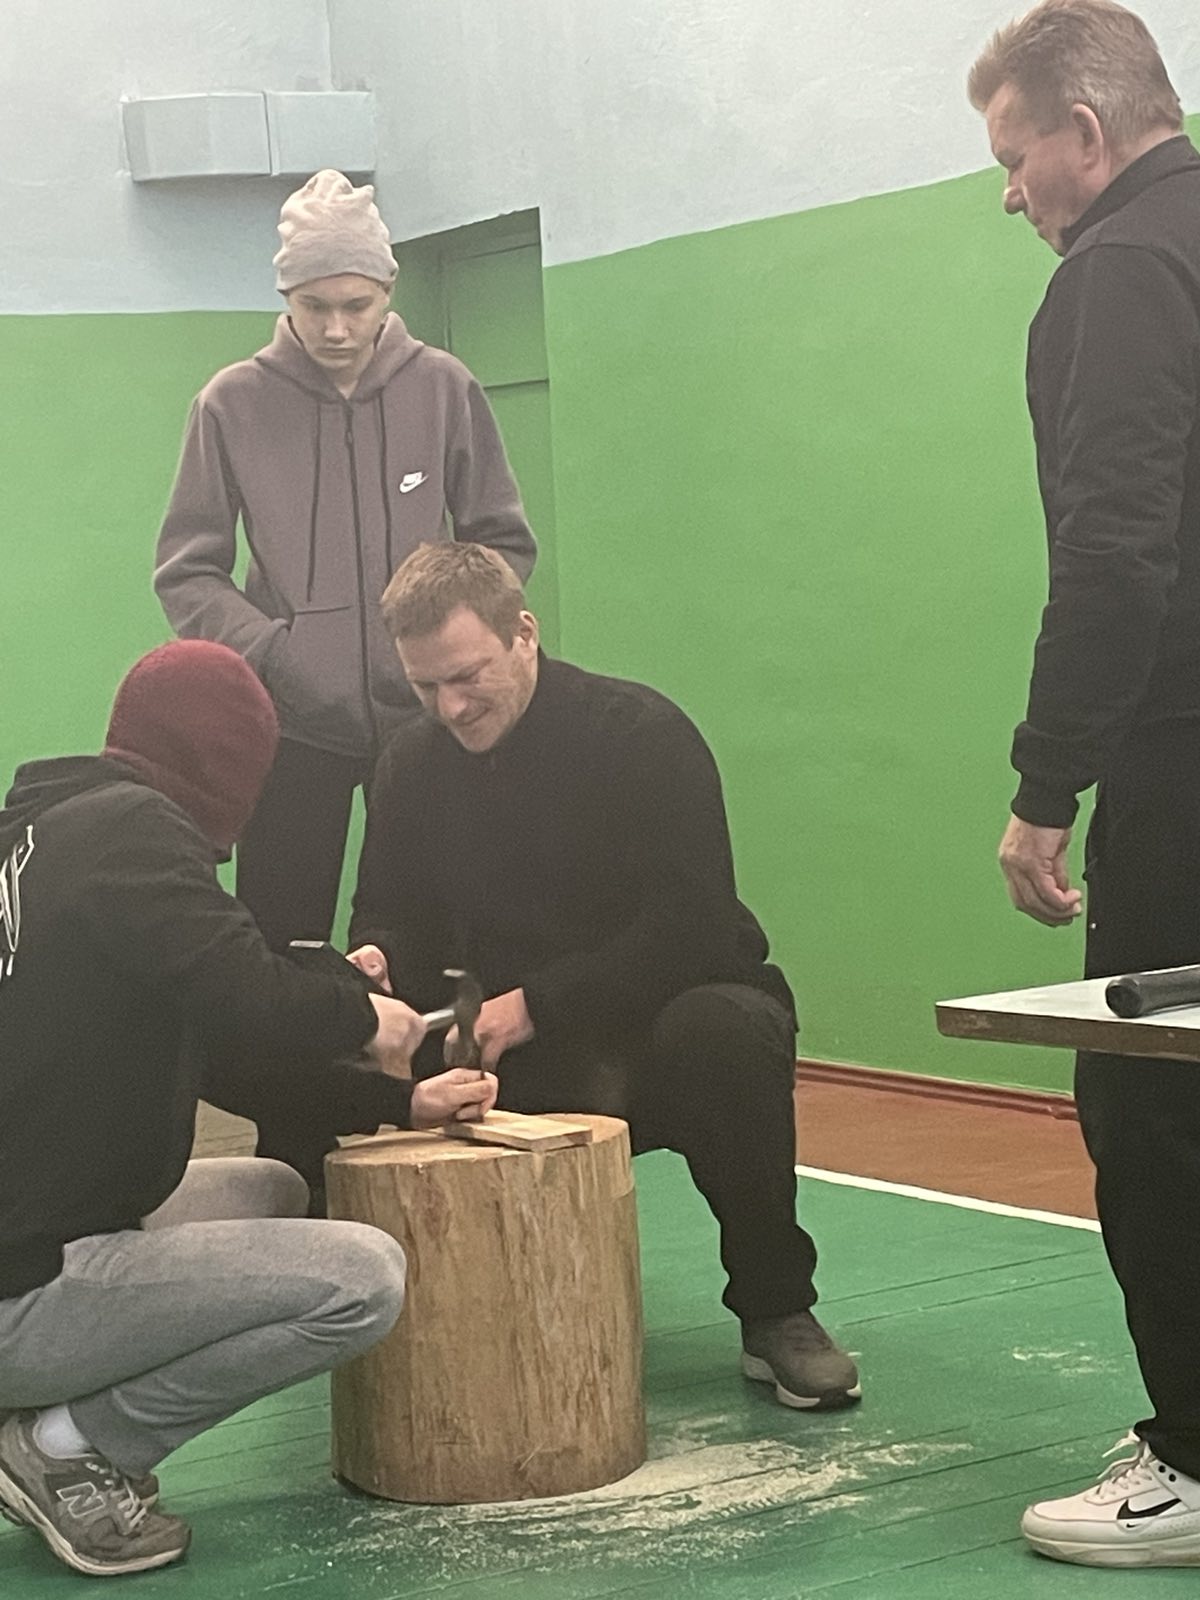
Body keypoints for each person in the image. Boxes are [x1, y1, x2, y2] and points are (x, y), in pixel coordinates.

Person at [0, 640, 497, 1577]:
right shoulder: (133, 831)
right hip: (23, 1286)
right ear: (226, 768)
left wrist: (400, 1101)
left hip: (36, 1234)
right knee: (363, 1280)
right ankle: (69, 1445)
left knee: (272, 1189)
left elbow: (228, 1049)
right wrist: (365, 1017)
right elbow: (249, 995)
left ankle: (47, 1411)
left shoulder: (44, 838)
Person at [340, 541, 860, 1412]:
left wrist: (538, 1004)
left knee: (727, 1030)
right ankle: (431, 1310)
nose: (450, 706)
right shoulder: (409, 763)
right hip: (503, 1047)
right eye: (424, 687)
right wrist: (377, 960)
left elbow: (695, 927)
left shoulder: (643, 736)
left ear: (524, 634)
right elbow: (389, 907)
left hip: (655, 1024)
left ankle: (777, 1309)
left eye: (466, 676)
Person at [968, 0, 1200, 1567]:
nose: (1010, 194)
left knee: (1152, 1100)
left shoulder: (1120, 271)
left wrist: (1047, 783)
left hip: (1181, 764)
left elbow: (1117, 549)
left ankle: (1195, 1456)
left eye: (1014, 157)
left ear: (1089, 133)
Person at [153, 168, 536, 954]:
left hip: (433, 716)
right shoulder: (228, 404)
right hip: (292, 726)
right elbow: (187, 570)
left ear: (388, 292)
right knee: (279, 937)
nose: (335, 328)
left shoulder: (445, 388)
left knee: (446, 928)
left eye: (355, 305)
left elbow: (501, 540)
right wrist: (275, 653)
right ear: (285, 298)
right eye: (314, 305)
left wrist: (452, 650)